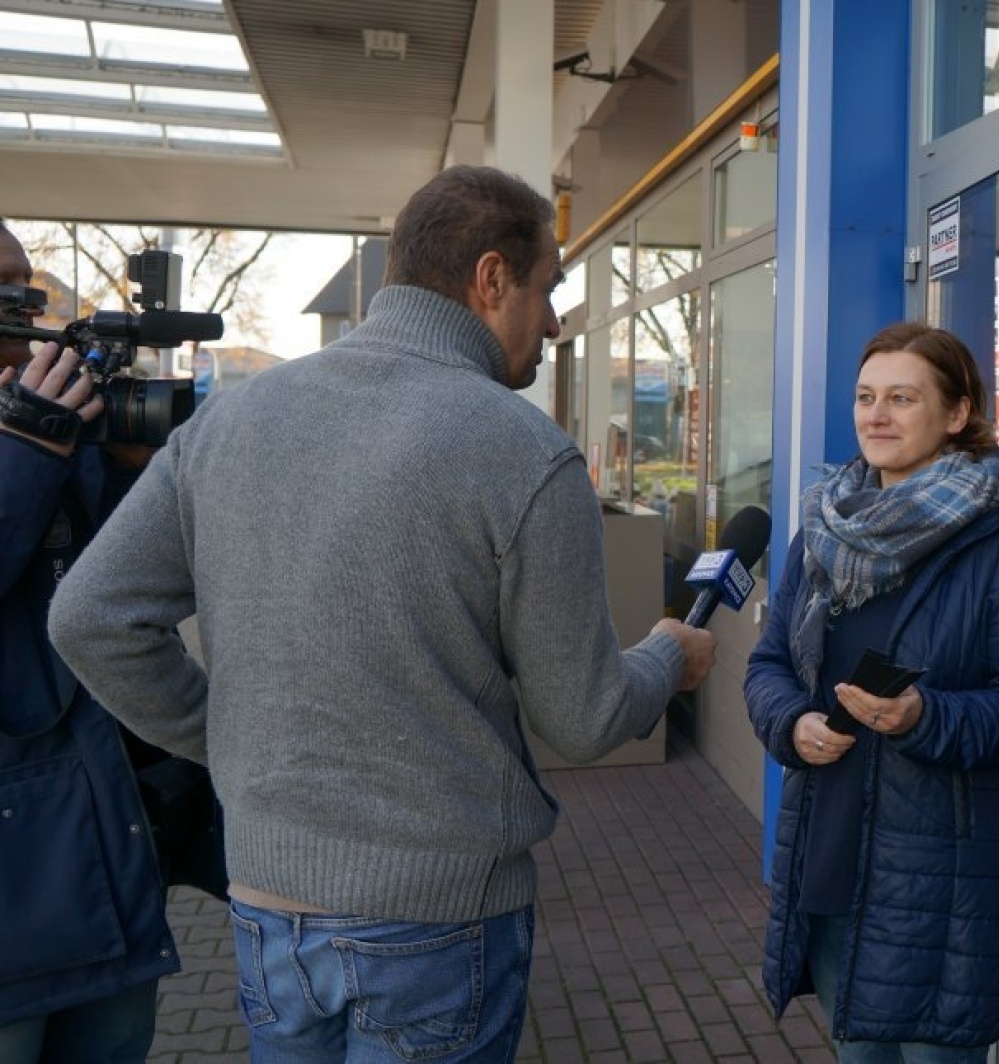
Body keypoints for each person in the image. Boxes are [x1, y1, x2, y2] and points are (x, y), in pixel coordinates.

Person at [47, 166, 717, 1063]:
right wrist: (669, 654)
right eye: (549, 288)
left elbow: (90, 618)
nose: (556, 322)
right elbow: (585, 716)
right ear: (489, 278)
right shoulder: (525, 452)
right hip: (440, 921)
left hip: (267, 907)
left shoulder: (229, 424)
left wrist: (232, 742)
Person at [746, 322, 999, 1062]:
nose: (876, 415)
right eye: (866, 397)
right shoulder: (821, 531)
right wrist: (790, 723)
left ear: (957, 414)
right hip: (830, 860)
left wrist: (925, 716)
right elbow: (767, 664)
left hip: (941, 889)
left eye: (901, 397)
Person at [0, 220, 178, 1061]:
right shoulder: (32, 437)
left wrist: (131, 471)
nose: (21, 316)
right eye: (2, 297)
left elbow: (119, 595)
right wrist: (26, 451)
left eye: (25, 295)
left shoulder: (50, 429)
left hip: (95, 856)